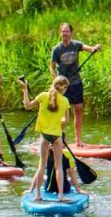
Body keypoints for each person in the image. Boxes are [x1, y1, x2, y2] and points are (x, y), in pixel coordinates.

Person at [19, 74, 80, 202]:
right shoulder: (65, 101)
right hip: (56, 136)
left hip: (44, 135)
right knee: (58, 166)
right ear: (64, 88)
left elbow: (27, 105)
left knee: (42, 165)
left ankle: (37, 195)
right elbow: (66, 120)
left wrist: (25, 89)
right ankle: (61, 196)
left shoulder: (43, 96)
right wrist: (57, 121)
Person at [49, 22, 102, 148]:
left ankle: (78, 141)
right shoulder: (57, 49)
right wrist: (57, 79)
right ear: (60, 33)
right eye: (63, 31)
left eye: (67, 31)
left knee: (78, 110)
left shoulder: (76, 45)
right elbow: (51, 67)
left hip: (76, 82)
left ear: (70, 33)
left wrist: (94, 48)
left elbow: (88, 48)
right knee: (62, 112)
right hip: (63, 86)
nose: (65, 34)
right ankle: (57, 139)